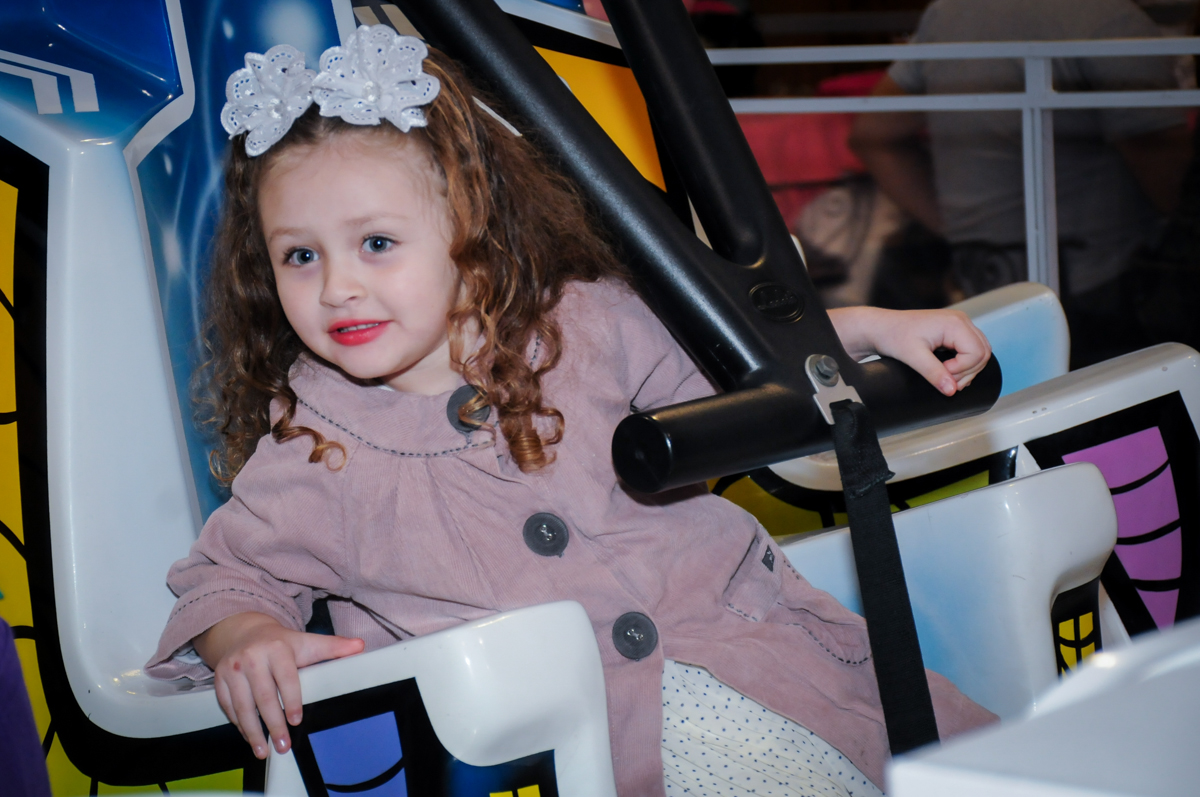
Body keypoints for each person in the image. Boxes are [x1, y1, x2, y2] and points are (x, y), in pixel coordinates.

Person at [146, 26, 995, 797]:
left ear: (467, 224)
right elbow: (224, 579)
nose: (337, 286)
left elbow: (740, 362)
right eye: (299, 255)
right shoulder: (313, 448)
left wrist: (872, 328)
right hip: (574, 752)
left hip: (773, 667)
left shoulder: (579, 325)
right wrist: (247, 639)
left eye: (376, 243)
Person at [849, 0, 1193, 368]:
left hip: (986, 276)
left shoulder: (951, 13)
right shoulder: (1105, 16)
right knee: (1127, 417)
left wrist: (962, 228)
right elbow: (1167, 175)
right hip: (1102, 284)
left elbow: (874, 135)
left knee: (1015, 414)